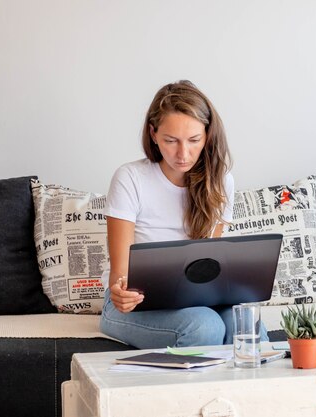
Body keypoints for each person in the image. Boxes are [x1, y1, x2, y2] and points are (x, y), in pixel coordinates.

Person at [100, 80, 265, 348]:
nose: (183, 154)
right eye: (170, 140)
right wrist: (121, 291)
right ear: (153, 134)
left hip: (194, 299)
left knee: (243, 322)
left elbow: (211, 268)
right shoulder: (130, 178)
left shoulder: (221, 182)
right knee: (204, 326)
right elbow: (120, 275)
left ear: (208, 135)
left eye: (194, 140)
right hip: (130, 305)